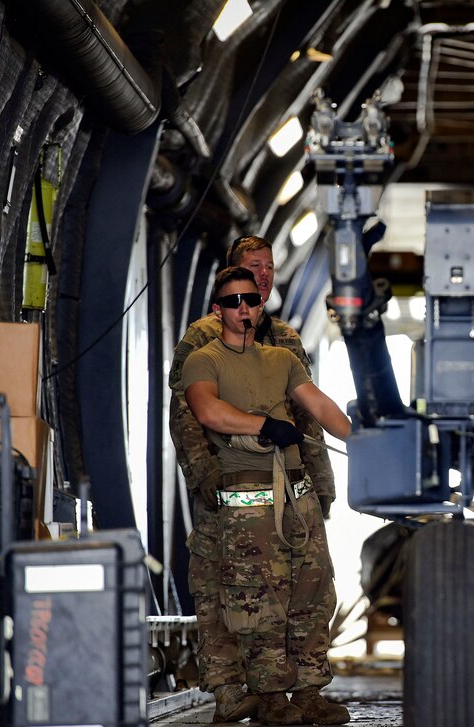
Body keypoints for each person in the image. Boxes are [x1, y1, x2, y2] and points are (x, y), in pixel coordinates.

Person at [168, 236, 343, 723]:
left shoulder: (284, 340)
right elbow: (188, 414)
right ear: (229, 279)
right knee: (226, 588)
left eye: (267, 269)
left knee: (305, 587)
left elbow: (308, 417)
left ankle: (299, 691)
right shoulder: (202, 342)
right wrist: (205, 477)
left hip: (288, 482)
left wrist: (319, 482)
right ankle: (232, 689)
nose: (261, 277)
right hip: (229, 484)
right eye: (251, 269)